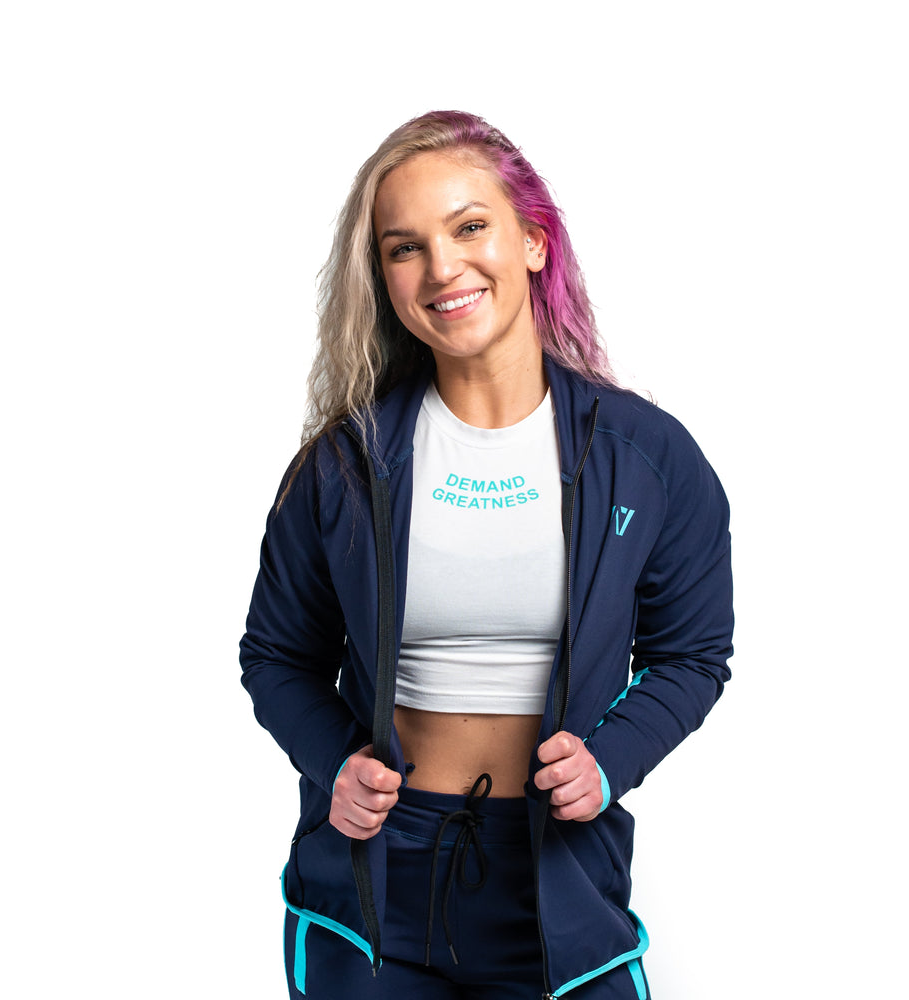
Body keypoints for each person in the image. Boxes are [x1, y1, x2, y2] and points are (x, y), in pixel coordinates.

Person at [240, 110, 733, 1000]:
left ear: (534, 242)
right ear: (384, 278)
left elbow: (692, 654)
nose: (442, 268)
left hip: (558, 879)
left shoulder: (648, 457)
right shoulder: (344, 464)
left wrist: (611, 760)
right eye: (405, 247)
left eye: (469, 227)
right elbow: (276, 655)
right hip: (373, 883)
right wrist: (335, 764)